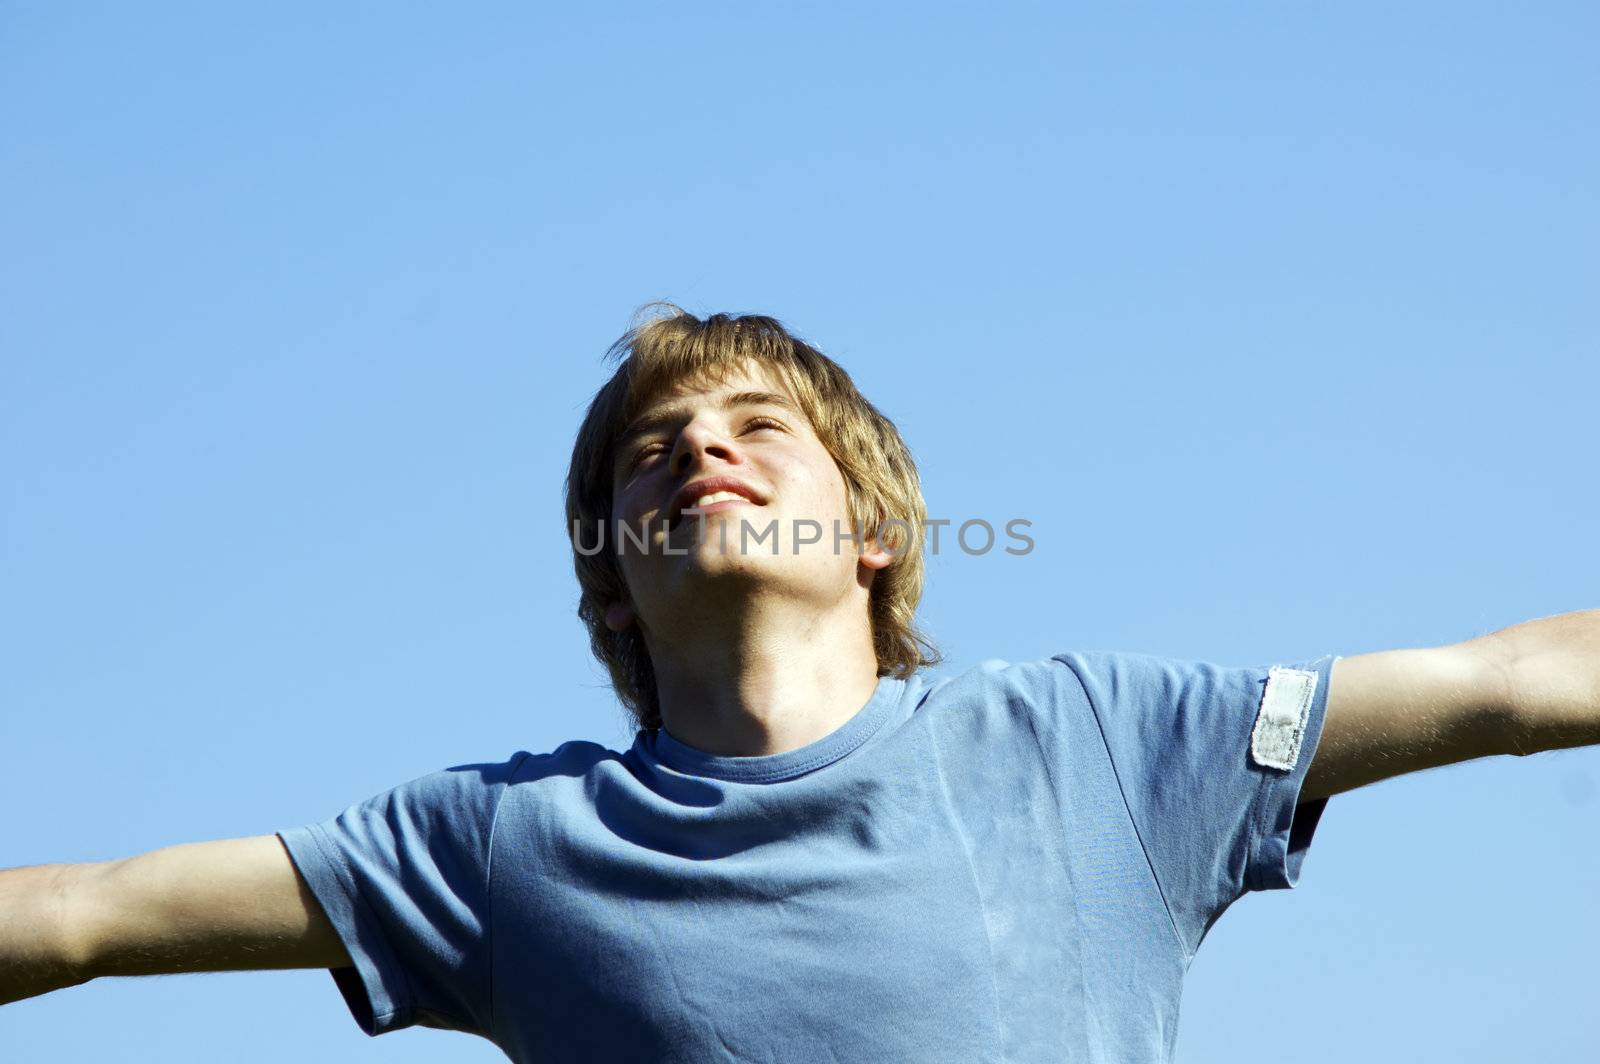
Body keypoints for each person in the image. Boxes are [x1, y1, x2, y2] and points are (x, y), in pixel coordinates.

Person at [2, 305, 1596, 1063]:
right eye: (649, 450)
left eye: (756, 427)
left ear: (878, 536)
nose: (699, 446)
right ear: (609, 577)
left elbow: (1515, 685)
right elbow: (85, 919)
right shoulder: (496, 844)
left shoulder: (1094, 744)